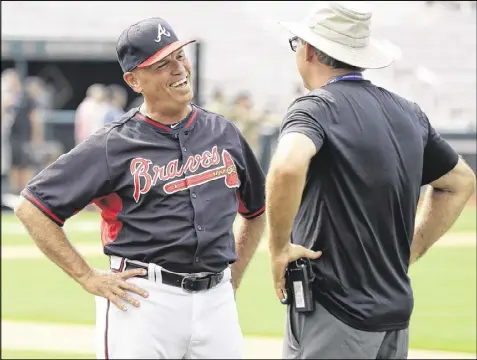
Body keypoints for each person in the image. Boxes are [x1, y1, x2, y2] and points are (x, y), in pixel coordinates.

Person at [14, 17, 266, 359]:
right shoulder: (113, 143)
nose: (178, 69)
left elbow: (256, 210)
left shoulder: (224, 132)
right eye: (162, 64)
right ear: (133, 80)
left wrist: (232, 278)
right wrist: (87, 277)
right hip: (144, 301)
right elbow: (32, 207)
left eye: (179, 56)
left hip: (216, 300)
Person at [265, 2, 476, 359]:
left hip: (334, 310)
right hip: (394, 313)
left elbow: (286, 167)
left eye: (296, 42)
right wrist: (412, 249)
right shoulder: (408, 112)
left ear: (312, 50)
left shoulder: (315, 107)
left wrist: (278, 250)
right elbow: (460, 181)